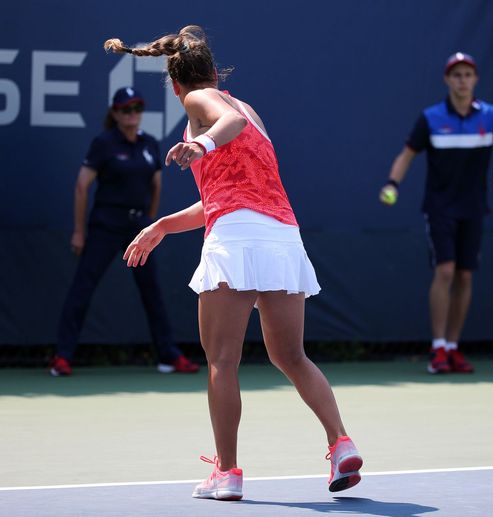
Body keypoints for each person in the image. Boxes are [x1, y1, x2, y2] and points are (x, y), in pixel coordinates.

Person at [103, 25, 363, 501]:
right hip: (282, 236)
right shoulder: (250, 109)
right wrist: (162, 225)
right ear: (212, 72)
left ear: (177, 84)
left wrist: (199, 144)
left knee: (222, 361)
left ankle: (227, 472)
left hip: (240, 238)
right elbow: (223, 197)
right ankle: (340, 443)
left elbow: (228, 129)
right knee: (291, 356)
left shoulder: (202, 102)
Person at [379, 52, 493, 375]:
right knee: (445, 271)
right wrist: (393, 183)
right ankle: (438, 349)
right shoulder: (430, 118)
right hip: (440, 208)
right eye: (456, 75)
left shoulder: (490, 117)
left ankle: (454, 347)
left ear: (475, 80)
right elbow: (406, 156)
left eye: (468, 75)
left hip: (473, 208)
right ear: (447, 80)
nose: (462, 80)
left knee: (464, 275)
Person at [49, 87, 199, 377]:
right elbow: (82, 186)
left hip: (137, 228)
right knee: (82, 289)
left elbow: (156, 186)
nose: (133, 114)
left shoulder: (150, 145)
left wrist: (149, 223)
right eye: (126, 109)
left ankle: (169, 356)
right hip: (105, 226)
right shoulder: (103, 143)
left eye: (137, 108)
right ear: (116, 113)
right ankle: (62, 357)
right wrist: (79, 232)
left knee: (152, 293)